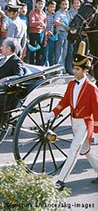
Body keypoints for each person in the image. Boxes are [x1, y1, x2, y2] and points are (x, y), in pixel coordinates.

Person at [43, 41, 98, 191]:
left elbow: (97, 111)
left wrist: (97, 132)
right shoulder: (72, 84)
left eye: (77, 69)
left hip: (86, 123)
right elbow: (65, 101)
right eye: (74, 68)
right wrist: (53, 113)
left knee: (74, 149)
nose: (74, 71)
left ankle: (61, 180)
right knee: (85, 151)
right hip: (74, 122)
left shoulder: (92, 88)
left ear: (85, 70)